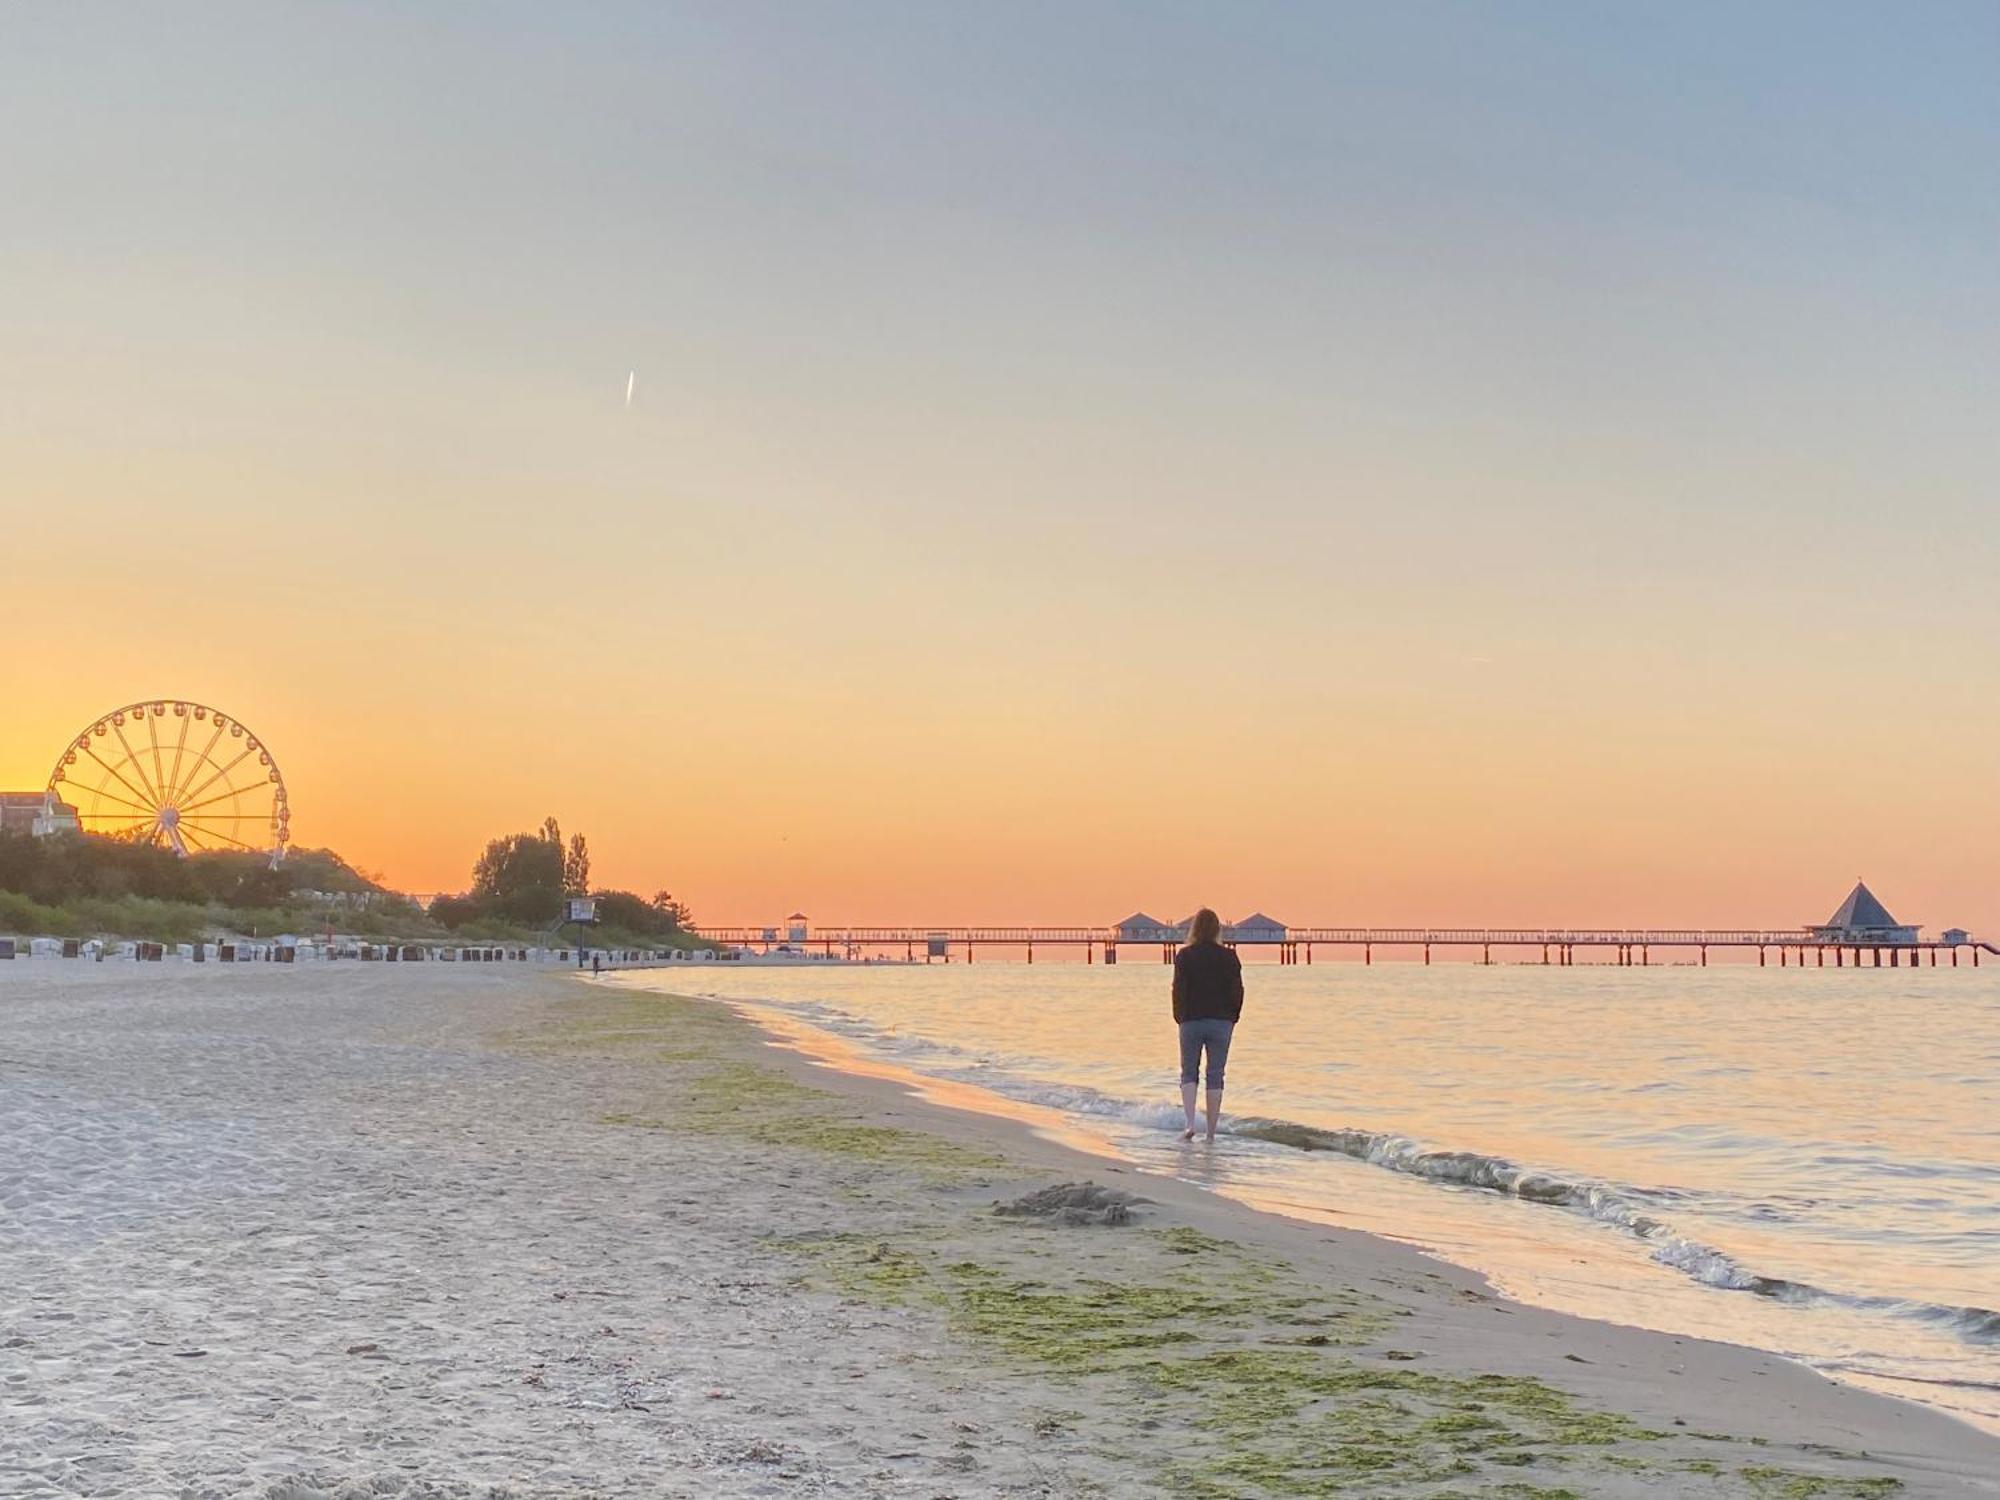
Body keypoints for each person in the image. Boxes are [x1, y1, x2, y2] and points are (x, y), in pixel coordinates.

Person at [1172, 908, 1242, 1142]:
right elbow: (1237, 991)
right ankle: (1211, 1132)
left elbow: (1178, 989)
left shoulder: (1184, 956)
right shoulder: (1229, 957)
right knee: (1216, 1074)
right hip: (1221, 1022)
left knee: (1189, 1072)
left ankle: (1190, 1124)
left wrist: (1179, 1016)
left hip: (1191, 1020)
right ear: (1217, 930)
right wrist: (1233, 1017)